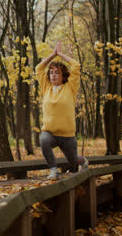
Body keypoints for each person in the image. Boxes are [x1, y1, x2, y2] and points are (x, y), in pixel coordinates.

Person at [35, 41, 88, 179]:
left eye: (57, 73)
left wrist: (61, 54)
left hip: (67, 136)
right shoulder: (46, 87)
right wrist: (52, 55)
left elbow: (76, 66)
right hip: (50, 133)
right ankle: (53, 170)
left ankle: (83, 161)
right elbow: (39, 69)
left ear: (63, 75)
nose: (53, 75)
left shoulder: (70, 88)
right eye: (51, 73)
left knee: (73, 162)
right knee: (43, 140)